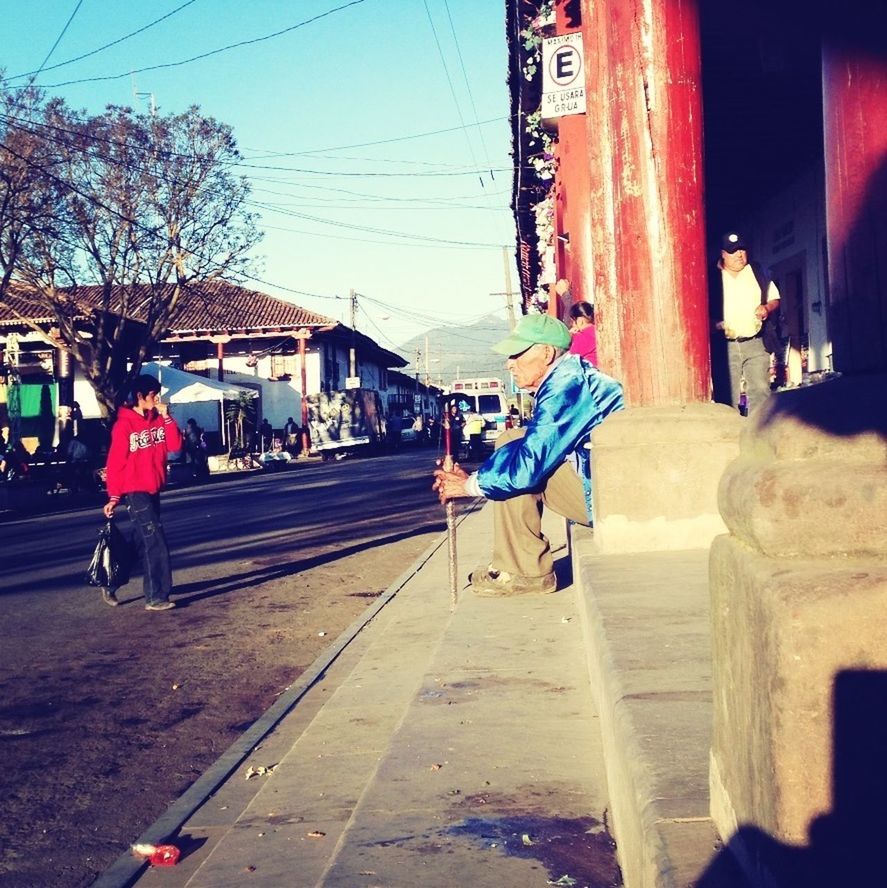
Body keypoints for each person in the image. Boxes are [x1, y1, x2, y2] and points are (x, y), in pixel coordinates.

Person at [433, 314, 624, 597]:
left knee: (520, 465)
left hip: (612, 500)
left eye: (516, 354)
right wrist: (478, 478)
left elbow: (528, 468)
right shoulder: (566, 376)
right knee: (513, 441)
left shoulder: (566, 386)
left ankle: (524, 572)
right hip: (606, 487)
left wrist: (468, 486)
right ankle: (519, 564)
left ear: (546, 352)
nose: (509, 363)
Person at [102, 374, 183, 610]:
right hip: (134, 491)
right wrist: (114, 496)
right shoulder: (124, 425)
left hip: (153, 488)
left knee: (141, 543)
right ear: (140, 396)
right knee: (155, 540)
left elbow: (176, 446)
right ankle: (156, 596)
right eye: (153, 394)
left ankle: (111, 580)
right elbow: (115, 462)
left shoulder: (159, 419)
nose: (157, 398)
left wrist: (167, 418)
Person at [713, 231, 781, 415]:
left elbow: (775, 297)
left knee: (760, 390)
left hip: (755, 341)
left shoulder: (757, 271)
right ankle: (730, 435)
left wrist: (767, 308)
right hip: (726, 346)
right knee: (727, 396)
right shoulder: (712, 277)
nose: (739, 255)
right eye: (733, 251)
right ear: (723, 254)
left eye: (742, 250)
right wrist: (712, 323)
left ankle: (759, 433)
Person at [568, 301, 598, 366]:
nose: (573, 324)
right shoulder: (597, 330)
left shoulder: (581, 337)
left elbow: (568, 359)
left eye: (573, 321)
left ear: (580, 321)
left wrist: (569, 335)